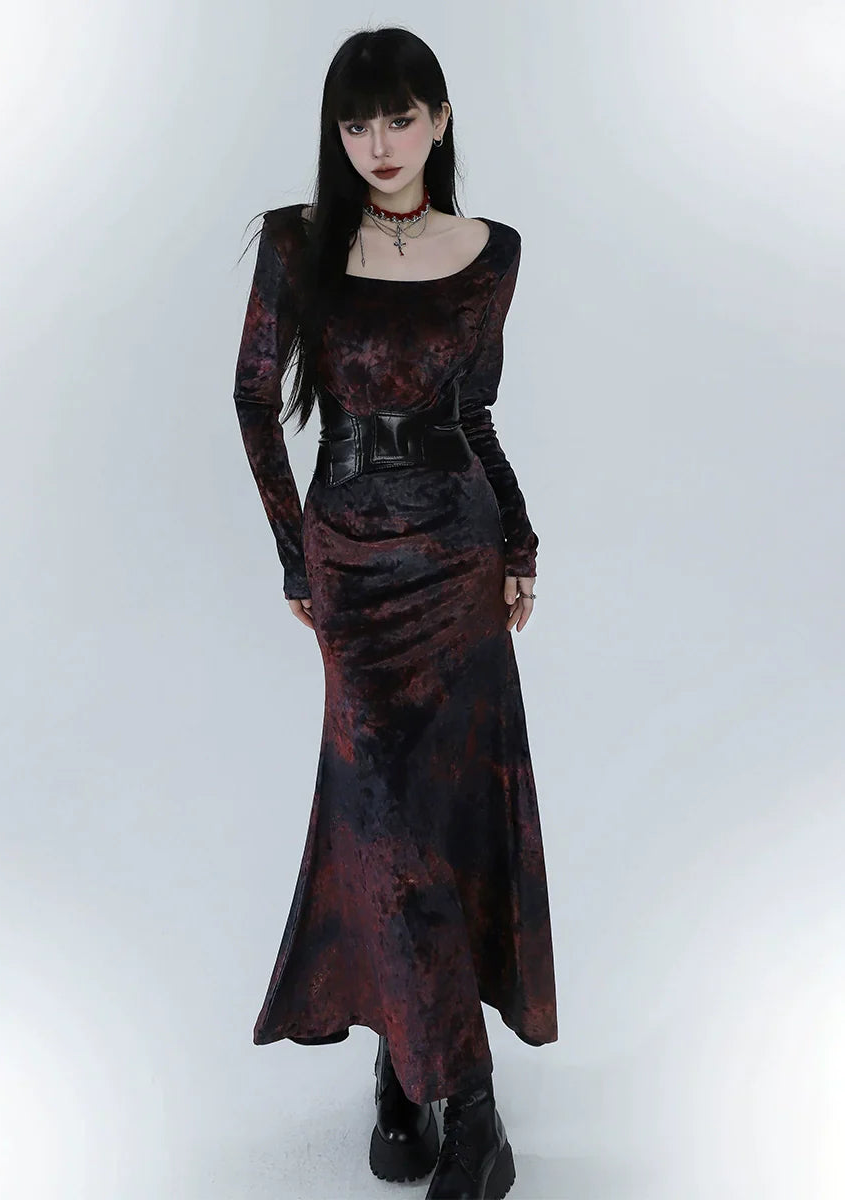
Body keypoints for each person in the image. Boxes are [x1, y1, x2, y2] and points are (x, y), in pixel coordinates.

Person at [233, 26, 557, 1200]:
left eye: (401, 117)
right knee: (382, 823)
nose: (379, 142)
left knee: (441, 823)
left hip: (460, 561)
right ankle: (471, 1110)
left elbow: (474, 417)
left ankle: (413, 1072)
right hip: (354, 566)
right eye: (357, 121)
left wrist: (519, 540)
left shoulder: (491, 252)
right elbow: (253, 399)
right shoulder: (298, 242)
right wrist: (296, 558)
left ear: (440, 120)